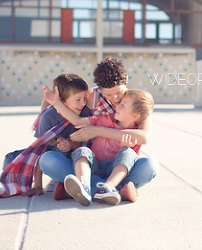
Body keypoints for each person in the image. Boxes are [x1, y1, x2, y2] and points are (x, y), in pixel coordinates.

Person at [41, 57, 159, 202]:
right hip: (90, 164)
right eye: (108, 94)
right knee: (47, 160)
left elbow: (144, 137)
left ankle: (83, 189)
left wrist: (98, 130)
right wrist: (54, 103)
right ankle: (115, 191)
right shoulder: (92, 96)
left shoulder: (136, 102)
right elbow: (73, 114)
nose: (115, 99)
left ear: (126, 81)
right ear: (99, 88)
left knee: (150, 166)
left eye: (118, 93)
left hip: (119, 168)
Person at [0, 73, 90, 201]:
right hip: (48, 154)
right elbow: (40, 150)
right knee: (9, 160)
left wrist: (68, 144)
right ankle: (59, 179)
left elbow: (84, 145)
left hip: (70, 157)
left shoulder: (84, 113)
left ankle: (63, 180)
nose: (83, 103)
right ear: (61, 101)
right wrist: (38, 186)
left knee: (65, 153)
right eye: (78, 100)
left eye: (84, 98)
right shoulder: (48, 116)